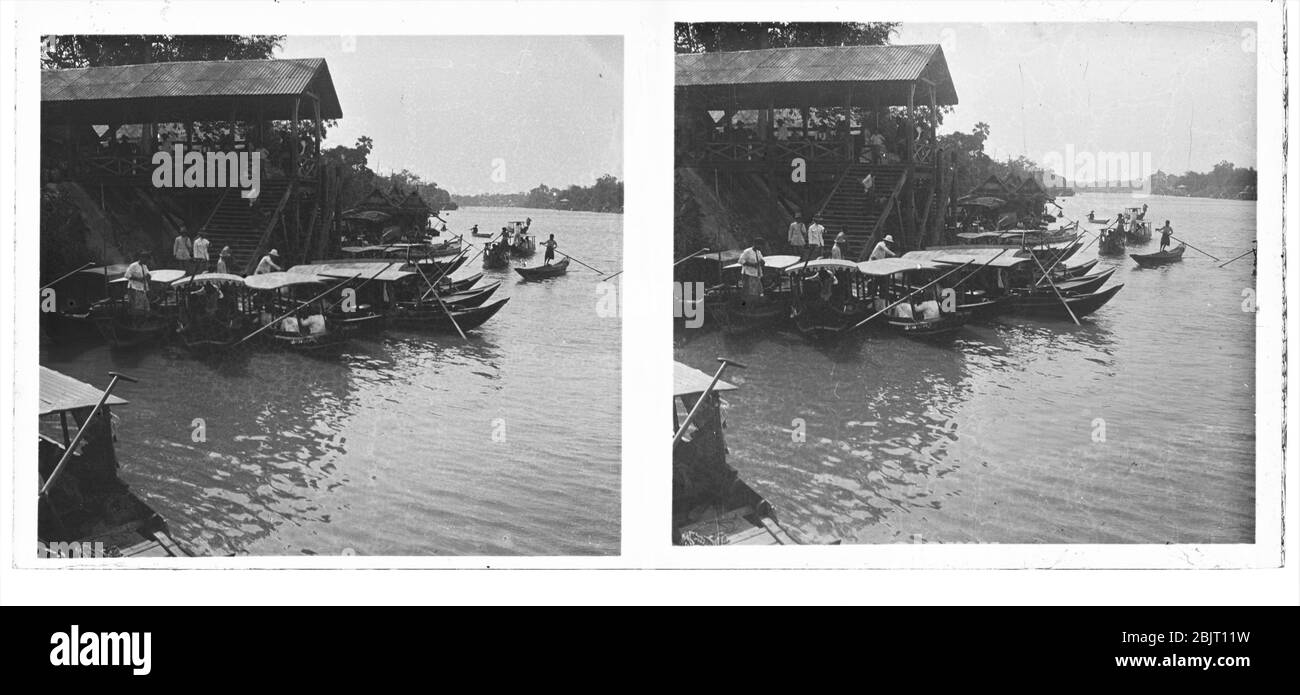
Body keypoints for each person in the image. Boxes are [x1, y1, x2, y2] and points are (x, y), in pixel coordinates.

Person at [124, 251, 152, 315]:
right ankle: (136, 322)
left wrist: (148, 277)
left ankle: (143, 321)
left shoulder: (144, 266)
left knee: (145, 307)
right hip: (134, 288)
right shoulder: (133, 265)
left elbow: (148, 274)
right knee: (138, 308)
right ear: (142, 258)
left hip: (142, 288)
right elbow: (127, 275)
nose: (147, 261)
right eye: (146, 259)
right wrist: (138, 279)